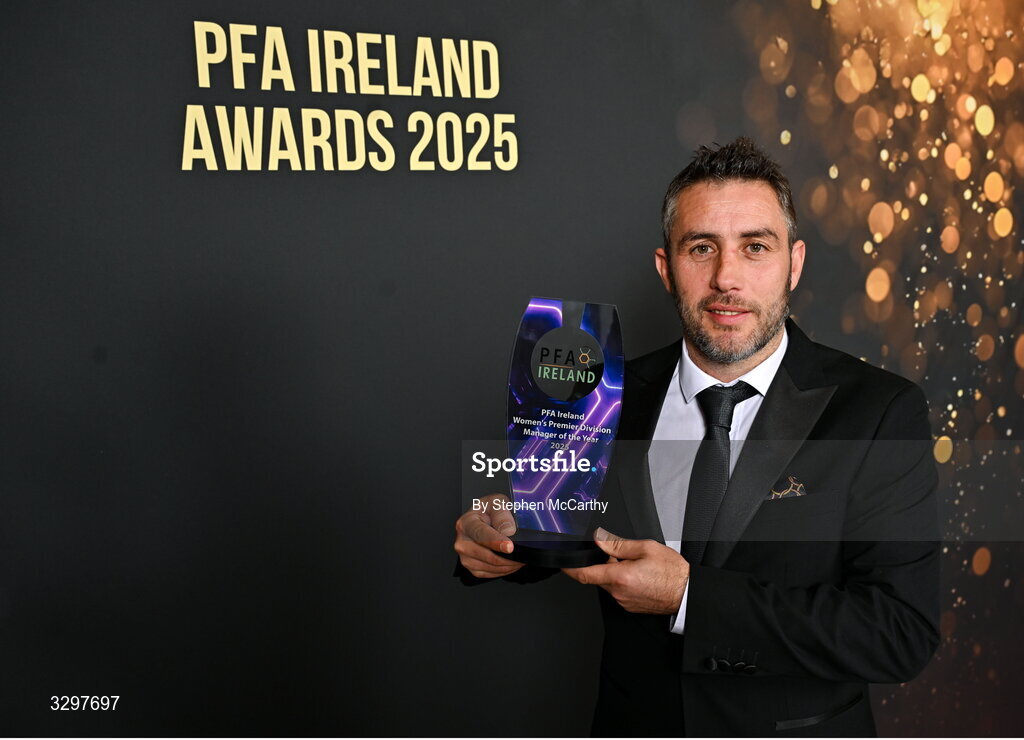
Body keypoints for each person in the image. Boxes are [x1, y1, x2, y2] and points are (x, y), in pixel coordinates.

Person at [454, 137, 939, 737]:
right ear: (666, 268)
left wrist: (691, 598)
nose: (725, 277)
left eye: (755, 247)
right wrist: (503, 541)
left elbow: (899, 633)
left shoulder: (880, 411)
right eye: (701, 247)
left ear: (795, 261)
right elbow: (564, 525)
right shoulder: (607, 393)